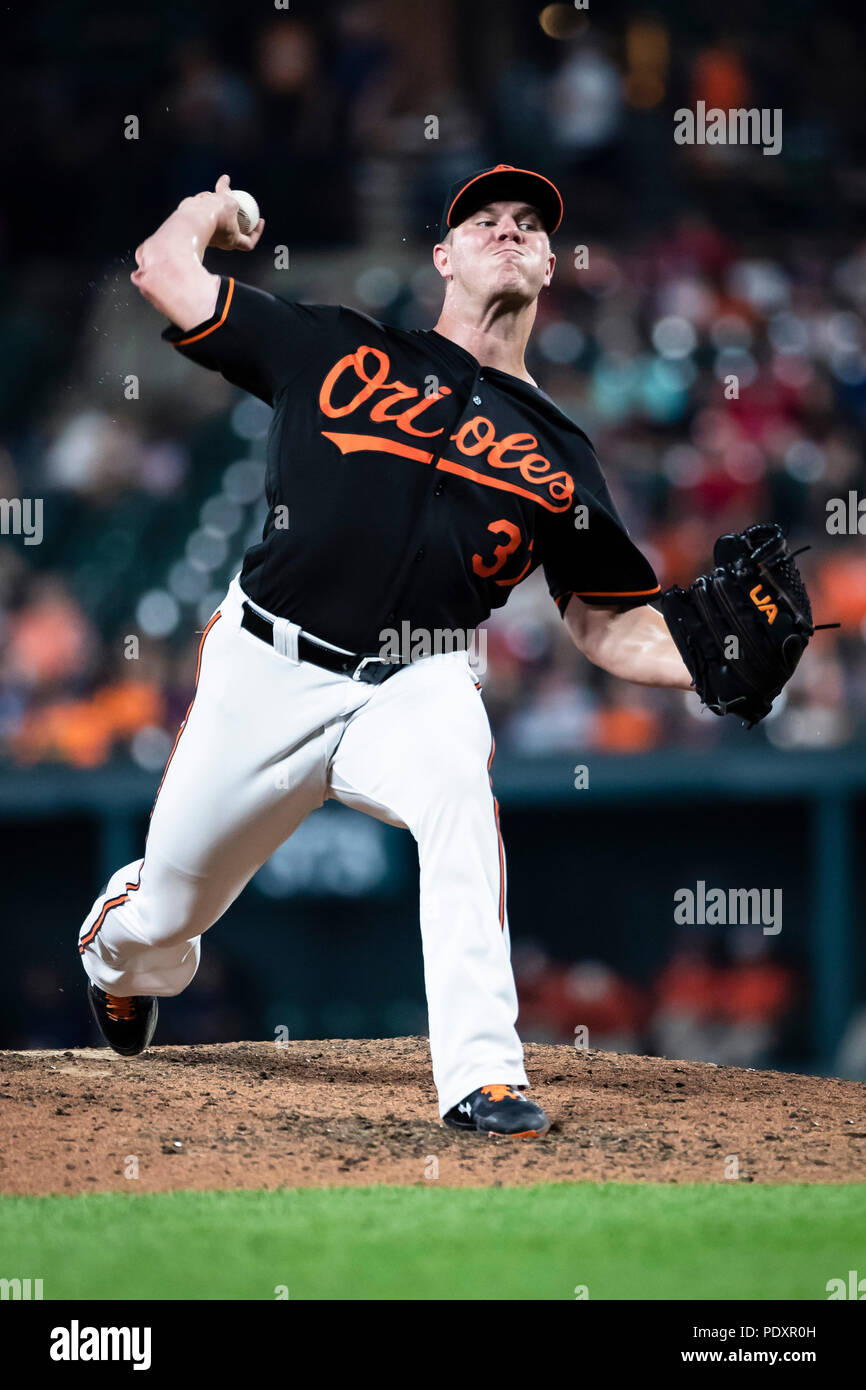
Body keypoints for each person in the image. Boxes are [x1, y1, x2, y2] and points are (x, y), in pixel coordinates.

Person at [78, 164, 693, 1138]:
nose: (508, 230)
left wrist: (710, 659)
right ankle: (117, 939)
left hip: (419, 676)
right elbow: (161, 270)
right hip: (268, 669)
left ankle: (482, 1075)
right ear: (441, 257)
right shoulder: (331, 346)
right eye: (482, 220)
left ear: (544, 265)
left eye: (527, 225)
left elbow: (604, 620)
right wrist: (216, 208)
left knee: (458, 787)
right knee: (162, 922)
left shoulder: (559, 453)